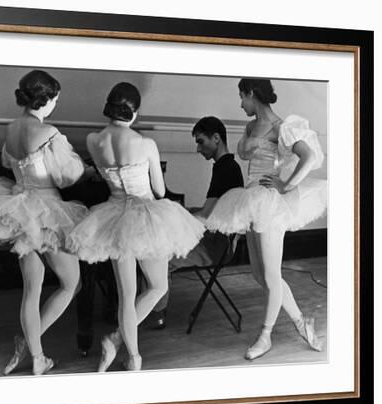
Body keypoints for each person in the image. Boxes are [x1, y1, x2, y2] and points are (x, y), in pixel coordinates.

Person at [66, 82, 205, 371]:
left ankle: (131, 356)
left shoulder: (94, 140)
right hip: (144, 216)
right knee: (157, 286)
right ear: (134, 112)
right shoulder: (145, 144)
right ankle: (115, 341)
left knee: (126, 295)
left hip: (113, 216)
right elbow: (160, 190)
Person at [0, 70, 91, 375]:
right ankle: (27, 343)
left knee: (31, 288)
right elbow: (66, 176)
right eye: (56, 99)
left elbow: (9, 163)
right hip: (46, 211)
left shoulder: (10, 129)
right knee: (72, 284)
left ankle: (36, 355)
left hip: (18, 207)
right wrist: (87, 171)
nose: (55, 105)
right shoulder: (49, 132)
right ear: (45, 99)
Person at [202, 78, 327, 360]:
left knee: (271, 276)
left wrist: (286, 185)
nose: (240, 103)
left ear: (251, 94)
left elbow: (308, 158)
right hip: (250, 200)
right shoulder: (250, 126)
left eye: (241, 97)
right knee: (261, 275)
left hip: (270, 203)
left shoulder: (282, 127)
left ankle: (266, 336)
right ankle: (301, 323)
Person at [147, 116, 244, 329]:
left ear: (216, 138)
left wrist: (173, 217)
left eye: (201, 141)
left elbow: (206, 215)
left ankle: (156, 313)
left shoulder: (225, 169)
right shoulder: (225, 165)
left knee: (161, 256)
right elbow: (210, 210)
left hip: (218, 245)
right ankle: (148, 305)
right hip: (217, 236)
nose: (198, 149)